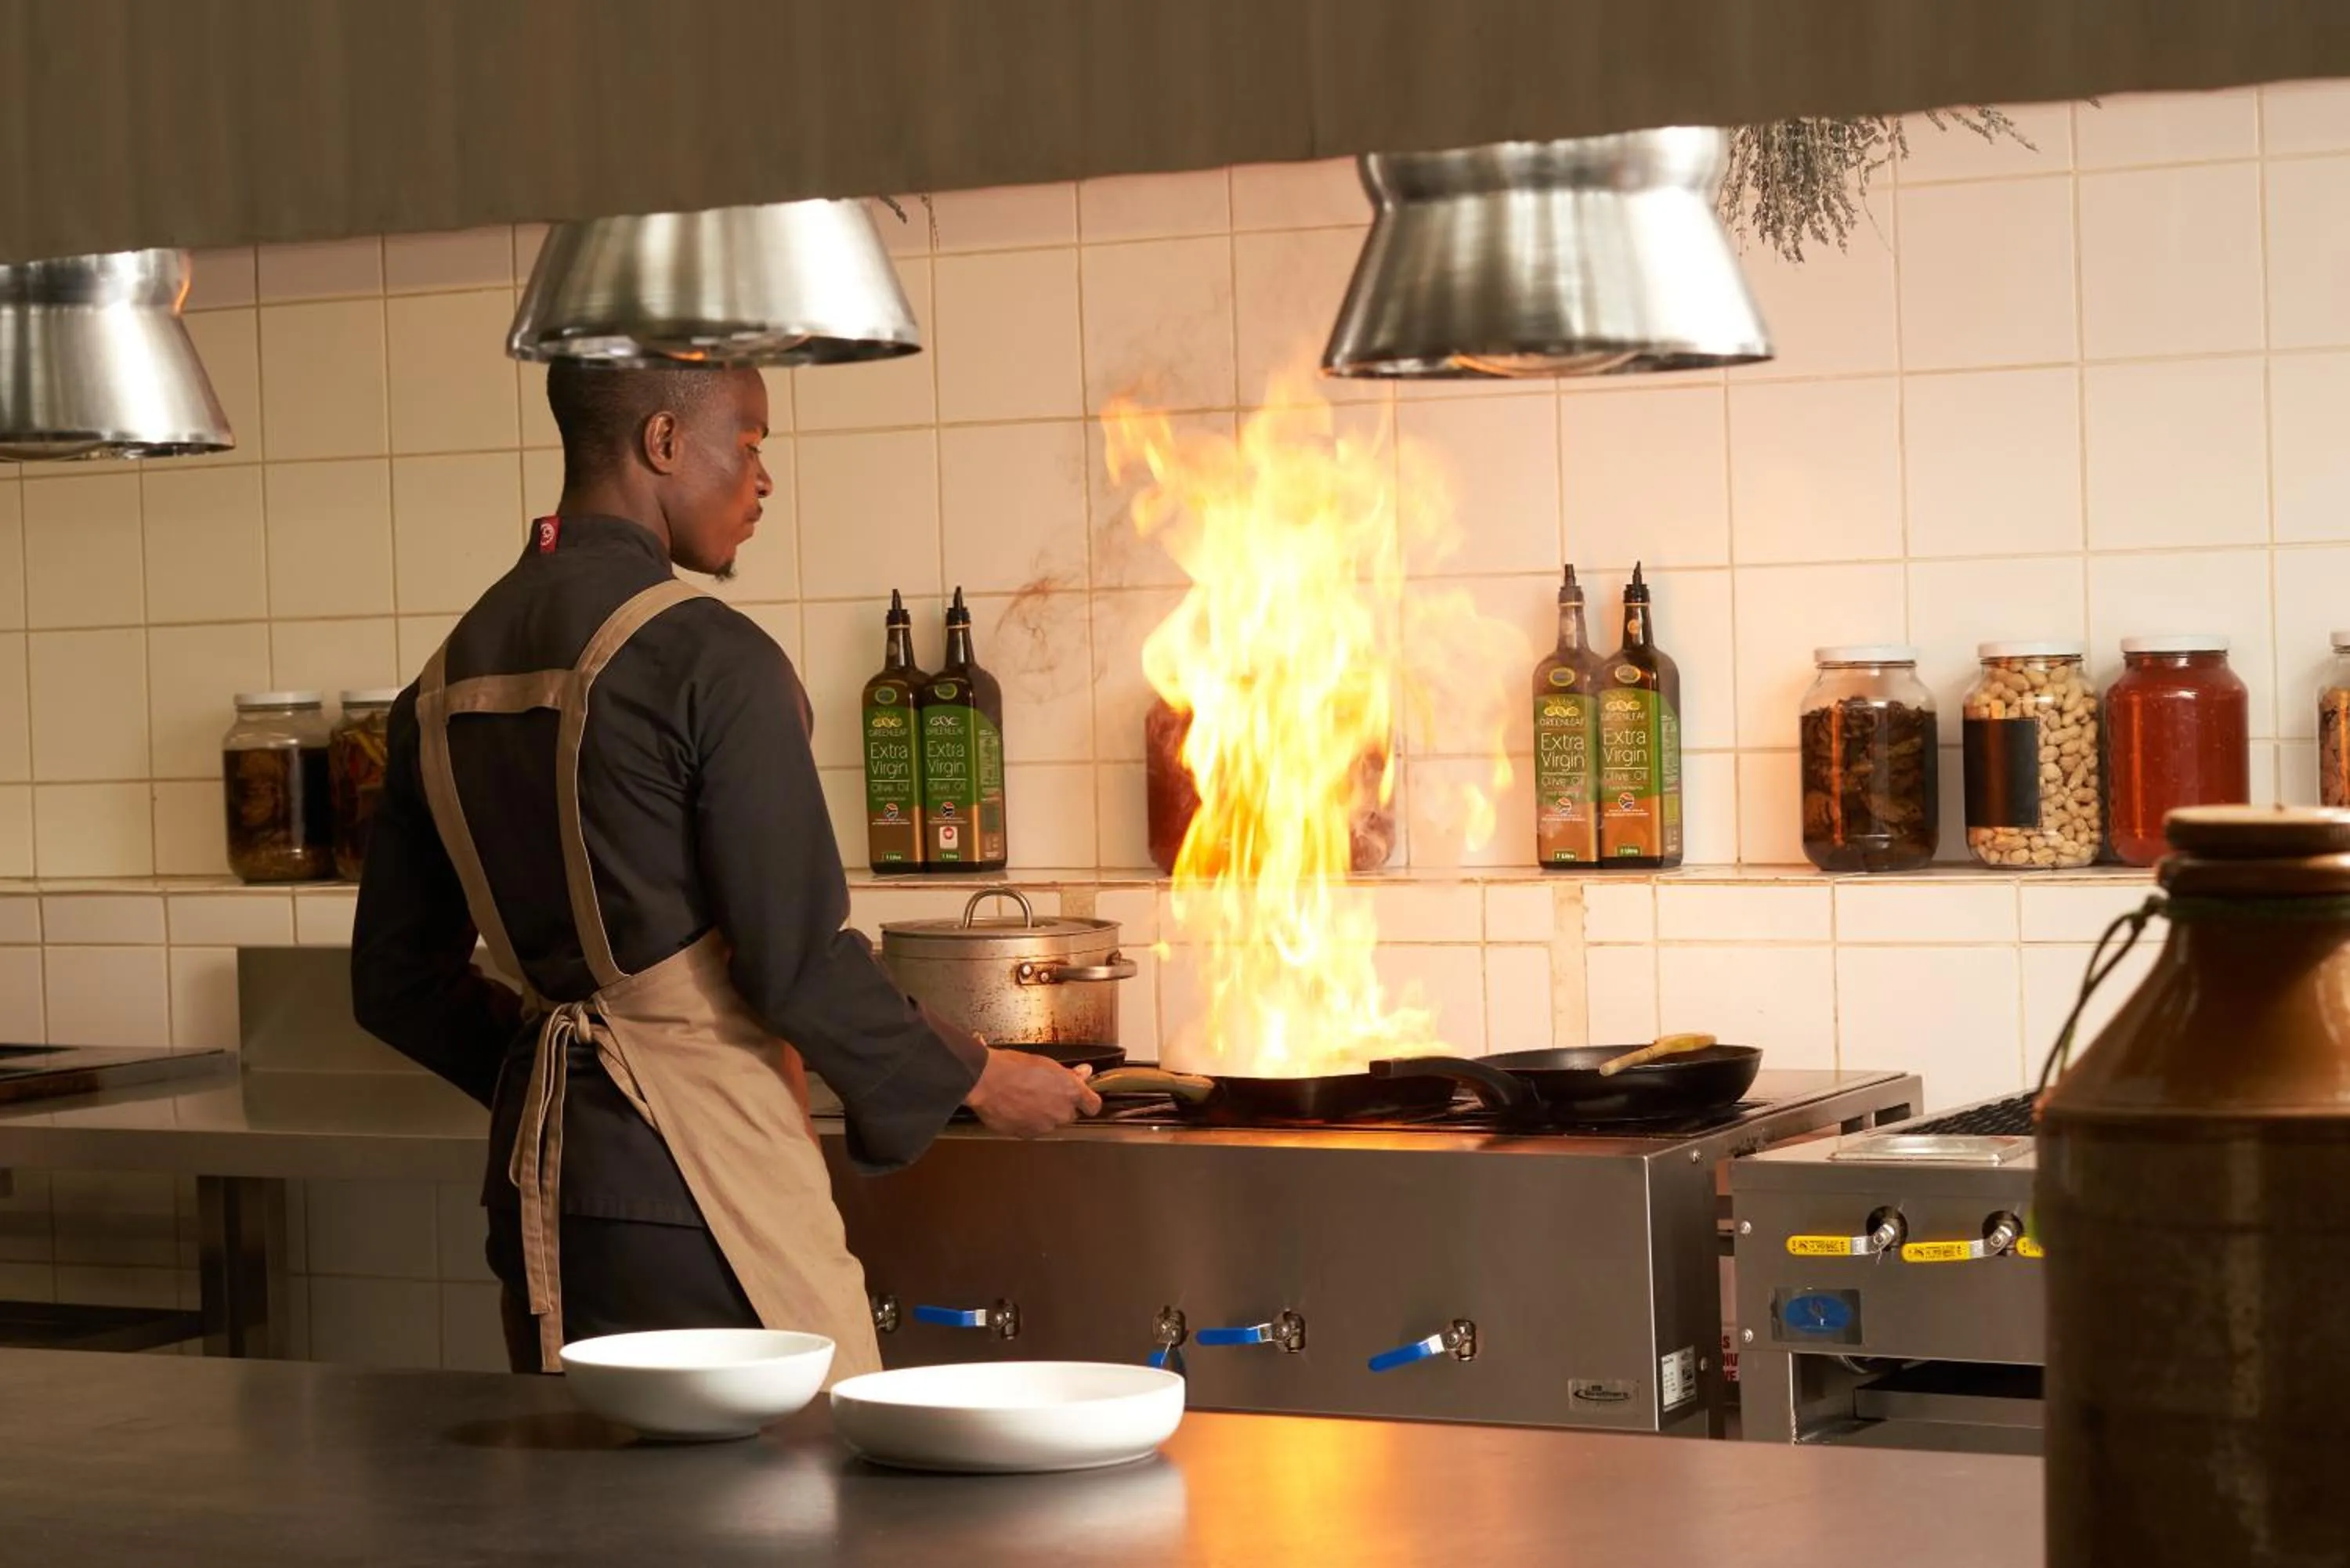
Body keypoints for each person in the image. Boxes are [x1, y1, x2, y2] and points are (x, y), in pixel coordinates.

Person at [350, 361, 1099, 1378]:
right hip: (701, 1191)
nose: (763, 478)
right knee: (780, 1515)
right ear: (663, 443)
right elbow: (797, 966)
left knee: (583, 1522)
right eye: (747, 442)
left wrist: (562, 1076)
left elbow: (395, 985)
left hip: (542, 1190)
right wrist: (979, 1074)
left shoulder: (435, 688)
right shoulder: (712, 659)